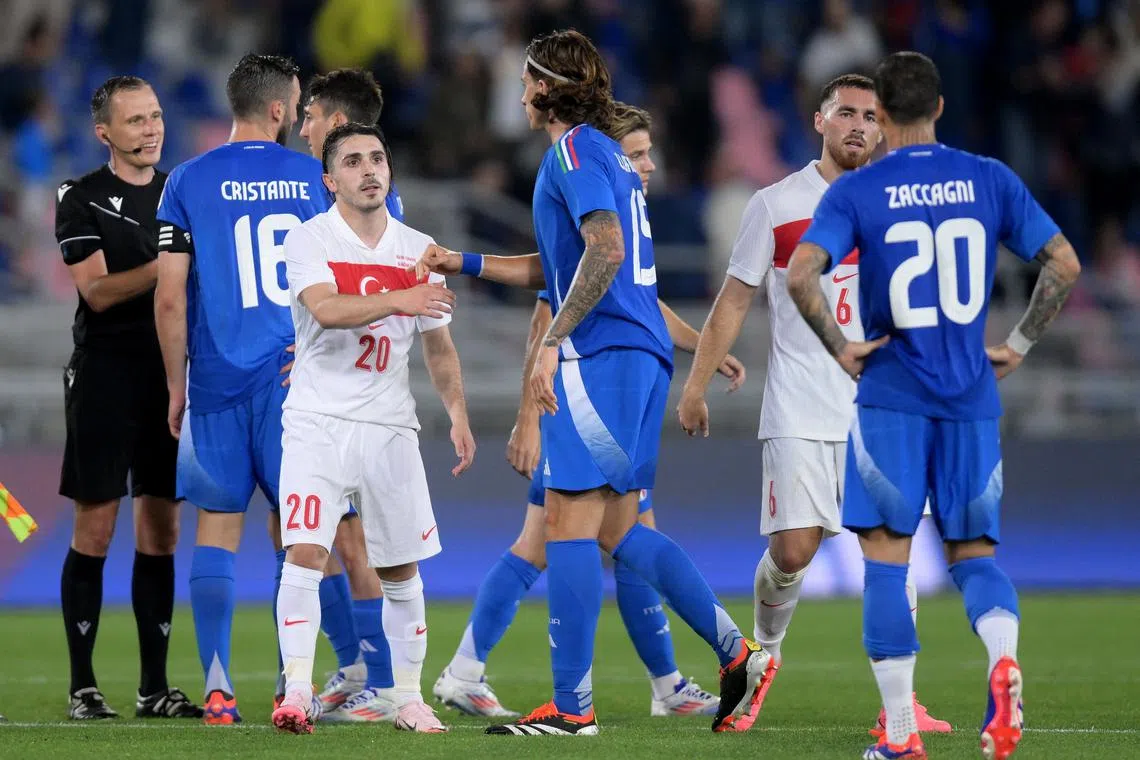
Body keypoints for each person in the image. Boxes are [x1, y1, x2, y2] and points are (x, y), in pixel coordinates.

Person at [414, 29, 769, 736]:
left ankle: (573, 707)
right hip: (637, 357)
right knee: (616, 526)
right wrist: (468, 263)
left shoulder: (573, 150)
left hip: (603, 355)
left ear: (546, 88)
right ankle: (737, 650)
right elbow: (566, 262)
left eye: (524, 81)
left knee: (569, 524)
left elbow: (602, 252)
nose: (517, 92)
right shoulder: (606, 156)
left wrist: (551, 342)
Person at [786, 51, 1080, 760]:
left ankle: (899, 737)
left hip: (892, 395)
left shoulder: (859, 189)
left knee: (886, 560)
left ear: (879, 114)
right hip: (972, 394)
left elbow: (802, 274)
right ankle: (1002, 663)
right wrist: (1017, 342)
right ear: (940, 108)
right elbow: (1064, 264)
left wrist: (842, 349)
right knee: (975, 556)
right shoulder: (989, 178)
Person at [677, 74, 949, 736]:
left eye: (871, 115)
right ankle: (762, 660)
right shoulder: (775, 205)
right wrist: (696, 382)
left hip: (883, 409)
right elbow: (735, 298)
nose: (859, 123)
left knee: (891, 551)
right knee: (794, 551)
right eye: (846, 111)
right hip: (801, 404)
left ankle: (901, 704)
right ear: (820, 121)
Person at [271, 122, 471, 735]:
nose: (369, 170)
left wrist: (458, 412)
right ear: (331, 180)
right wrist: (399, 299)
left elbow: (438, 346)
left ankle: (407, 698)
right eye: (353, 161)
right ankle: (298, 693)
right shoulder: (308, 240)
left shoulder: (420, 248)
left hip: (389, 428)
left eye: (378, 158)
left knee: (400, 570)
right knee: (305, 554)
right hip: (317, 422)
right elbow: (327, 310)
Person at [154, 54, 328, 724]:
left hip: (217, 381)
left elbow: (169, 299)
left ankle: (218, 689)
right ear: (282, 110)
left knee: (217, 530)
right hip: (296, 384)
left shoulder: (187, 182)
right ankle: (295, 684)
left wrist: (178, 386)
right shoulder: (313, 176)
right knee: (298, 532)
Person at [54, 75, 201, 721]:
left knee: (163, 532)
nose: (151, 129)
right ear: (104, 132)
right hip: (105, 373)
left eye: (156, 116)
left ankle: (153, 689)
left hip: (167, 374)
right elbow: (97, 292)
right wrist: (172, 264)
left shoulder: (183, 191)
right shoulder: (80, 197)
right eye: (136, 120)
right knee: (96, 524)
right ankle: (83, 686)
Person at [277, 67, 408, 721]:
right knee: (316, 538)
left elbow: (379, 301)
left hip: (356, 404)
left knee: (355, 546)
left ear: (332, 117)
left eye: (309, 115)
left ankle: (379, 681)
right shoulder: (329, 196)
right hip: (326, 397)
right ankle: (357, 666)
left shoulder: (369, 203)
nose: (301, 126)